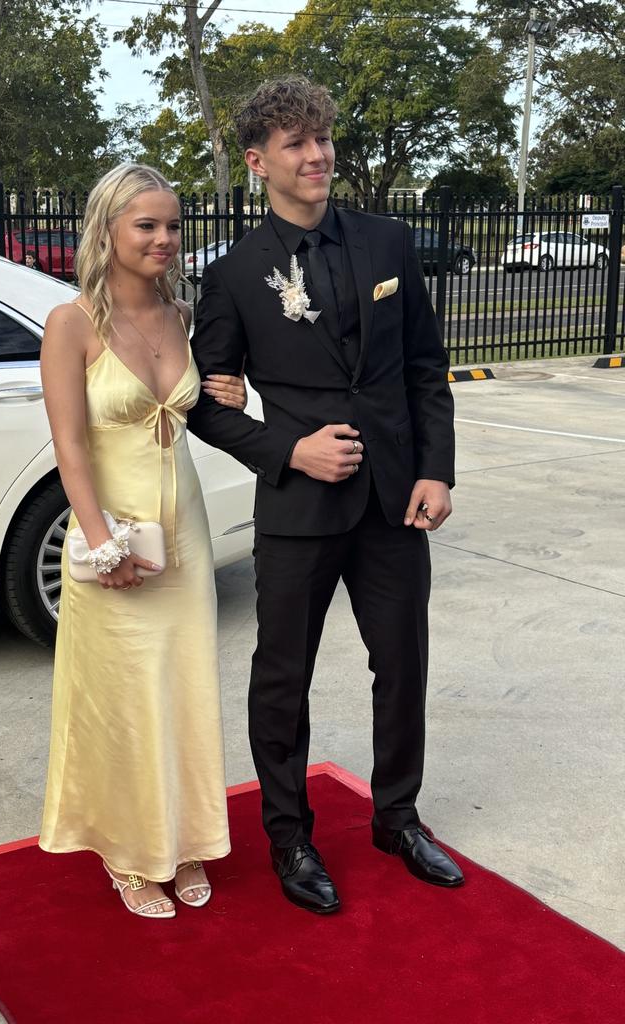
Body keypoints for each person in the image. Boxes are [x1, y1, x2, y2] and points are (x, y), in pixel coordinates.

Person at [188, 77, 464, 914]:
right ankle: (289, 836)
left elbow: (425, 367)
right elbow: (201, 400)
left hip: (393, 503)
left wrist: (435, 469)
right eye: (295, 144)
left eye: (321, 139)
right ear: (257, 160)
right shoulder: (236, 273)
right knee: (282, 677)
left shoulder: (387, 243)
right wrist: (288, 449)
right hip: (301, 512)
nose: (315, 156)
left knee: (403, 664)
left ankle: (397, 816)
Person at [38, 164, 247, 920]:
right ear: (108, 231)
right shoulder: (71, 323)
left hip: (182, 530)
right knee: (123, 698)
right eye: (146, 226)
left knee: (183, 687)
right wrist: (101, 545)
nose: (164, 239)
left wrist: (234, 391)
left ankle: (184, 838)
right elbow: (69, 449)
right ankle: (128, 854)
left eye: (173, 225)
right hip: (112, 534)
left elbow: (200, 404)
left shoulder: (181, 314)